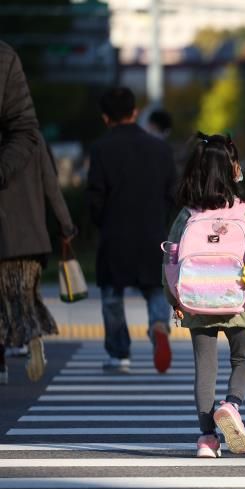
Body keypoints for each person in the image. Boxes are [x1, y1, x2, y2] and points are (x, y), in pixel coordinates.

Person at [163, 133, 245, 457]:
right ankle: (232, 404)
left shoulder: (187, 215)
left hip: (196, 303)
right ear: (233, 169)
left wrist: (175, 300)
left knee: (205, 367)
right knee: (242, 359)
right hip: (239, 302)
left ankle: (206, 439)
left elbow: (170, 262)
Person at [0, 42, 76, 385]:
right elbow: (51, 187)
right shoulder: (32, 144)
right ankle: (32, 339)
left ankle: (2, 361)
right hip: (27, 236)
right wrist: (65, 225)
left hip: (9, 236)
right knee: (23, 298)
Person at [87, 87, 176, 374]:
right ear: (134, 112)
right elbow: (172, 193)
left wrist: (101, 222)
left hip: (115, 233)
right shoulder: (160, 148)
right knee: (155, 290)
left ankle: (119, 353)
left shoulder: (101, 149)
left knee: (113, 294)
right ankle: (159, 325)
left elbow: (95, 196)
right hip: (152, 231)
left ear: (105, 118)